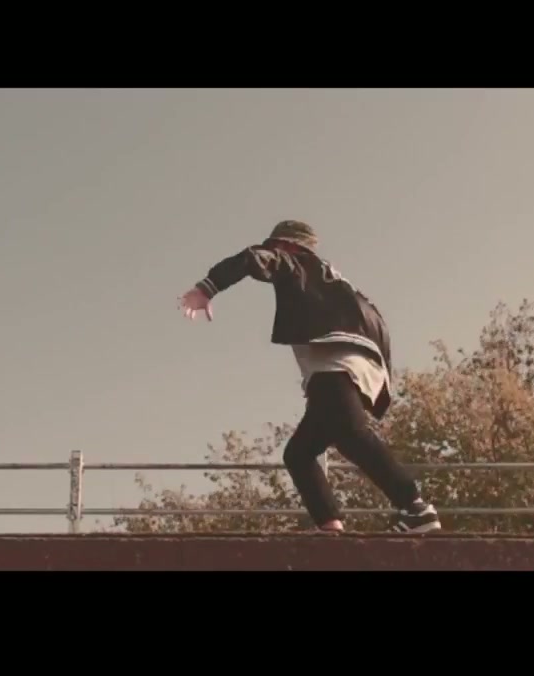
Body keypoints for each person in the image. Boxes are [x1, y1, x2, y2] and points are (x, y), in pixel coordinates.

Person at [177, 220, 441, 534]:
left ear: (287, 245)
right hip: (362, 369)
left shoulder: (293, 262)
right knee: (299, 454)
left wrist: (207, 288)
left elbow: (253, 257)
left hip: (334, 369)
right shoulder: (337, 282)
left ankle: (416, 507)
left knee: (353, 434)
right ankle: (330, 526)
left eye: (275, 246)